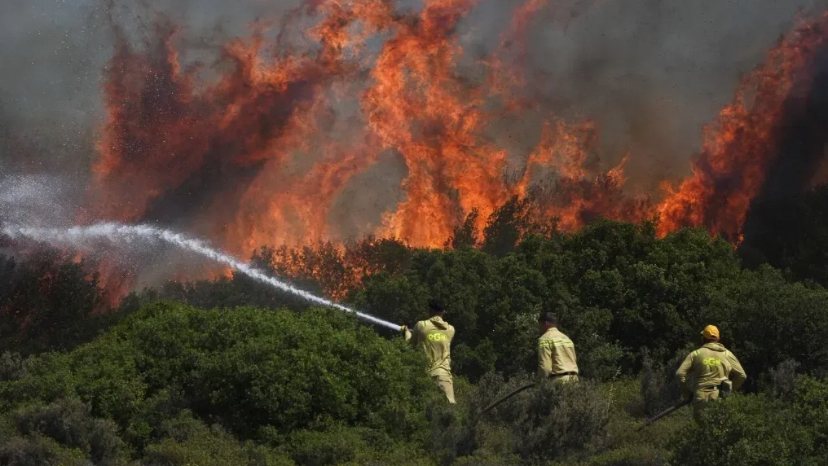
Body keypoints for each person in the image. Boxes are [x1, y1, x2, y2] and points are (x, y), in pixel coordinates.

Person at [675, 325, 747, 420]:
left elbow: (679, 374)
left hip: (700, 396)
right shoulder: (727, 354)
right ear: (718, 338)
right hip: (720, 396)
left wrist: (687, 394)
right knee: (720, 429)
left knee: (700, 430)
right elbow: (742, 375)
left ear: (703, 338)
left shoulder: (695, 354)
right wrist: (729, 390)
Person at [401, 298, 456, 403]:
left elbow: (409, 345)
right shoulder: (450, 330)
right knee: (448, 412)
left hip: (425, 378)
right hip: (444, 377)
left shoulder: (421, 326)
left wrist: (407, 332)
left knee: (426, 414)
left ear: (430, 311)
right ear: (443, 312)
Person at [537, 312, 579, 383]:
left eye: (540, 325)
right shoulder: (567, 338)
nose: (539, 328)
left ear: (545, 323)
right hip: (574, 379)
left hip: (558, 380)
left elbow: (545, 367)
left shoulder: (545, 339)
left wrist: (541, 381)